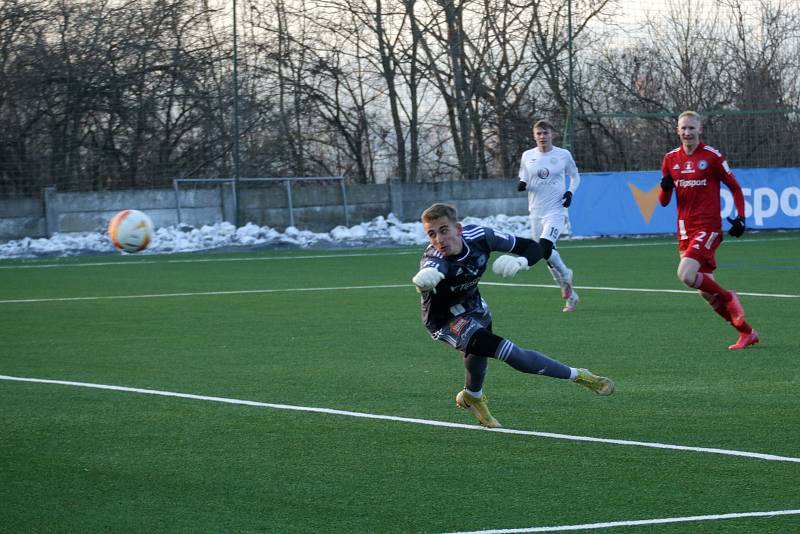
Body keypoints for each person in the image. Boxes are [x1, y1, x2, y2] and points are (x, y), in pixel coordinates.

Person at [411, 202, 614, 428]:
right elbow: (429, 271)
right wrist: (424, 280)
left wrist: (522, 261)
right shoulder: (434, 259)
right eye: (431, 234)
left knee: (477, 355)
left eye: (443, 230)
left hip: (475, 305)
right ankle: (578, 375)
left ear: (458, 229)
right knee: (507, 351)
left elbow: (533, 247)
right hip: (445, 320)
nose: (439, 239)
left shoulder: (481, 236)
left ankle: (473, 396)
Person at [659, 110, 758, 350]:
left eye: (692, 128)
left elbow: (734, 187)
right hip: (685, 230)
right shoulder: (670, 159)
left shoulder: (712, 157)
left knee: (685, 274)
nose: (687, 132)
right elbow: (663, 201)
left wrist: (741, 218)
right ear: (677, 131)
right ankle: (746, 332)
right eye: (683, 128)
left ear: (699, 129)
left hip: (708, 226)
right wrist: (665, 187)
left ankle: (728, 296)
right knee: (704, 292)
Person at [517, 119, 581, 312]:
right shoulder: (527, 156)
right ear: (534, 136)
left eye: (545, 133)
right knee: (545, 254)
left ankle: (566, 274)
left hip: (556, 210)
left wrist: (570, 192)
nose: (542, 137)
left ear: (552, 134)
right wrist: (522, 183)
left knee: (544, 246)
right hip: (536, 211)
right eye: (539, 133)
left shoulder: (563, 155)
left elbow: (575, 176)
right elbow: (524, 176)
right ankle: (569, 292)